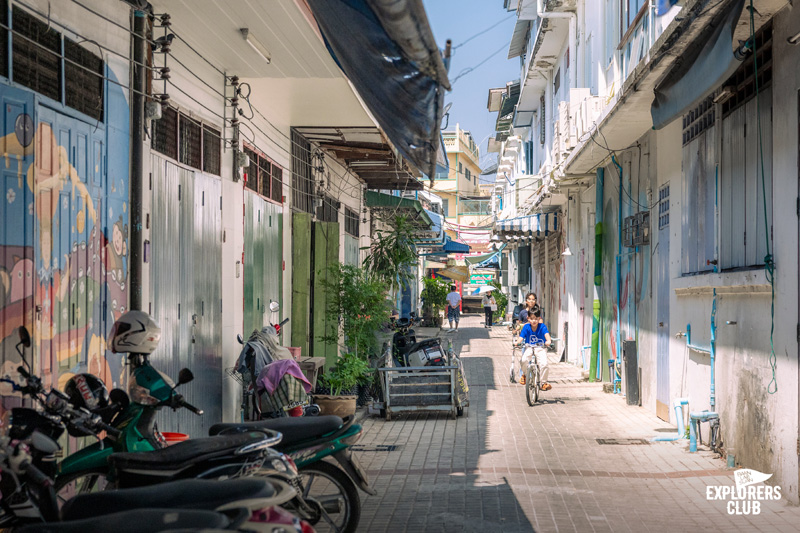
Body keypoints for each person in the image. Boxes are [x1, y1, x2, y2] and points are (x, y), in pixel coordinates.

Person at [514, 309, 552, 390]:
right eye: (531, 318)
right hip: (529, 347)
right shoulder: (526, 327)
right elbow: (521, 337)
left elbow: (547, 335)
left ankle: (544, 383)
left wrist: (548, 341)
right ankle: (525, 375)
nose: (534, 321)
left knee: (544, 364)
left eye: (536, 318)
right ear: (528, 318)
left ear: (539, 318)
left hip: (540, 348)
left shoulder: (542, 326)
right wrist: (517, 342)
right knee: (523, 360)